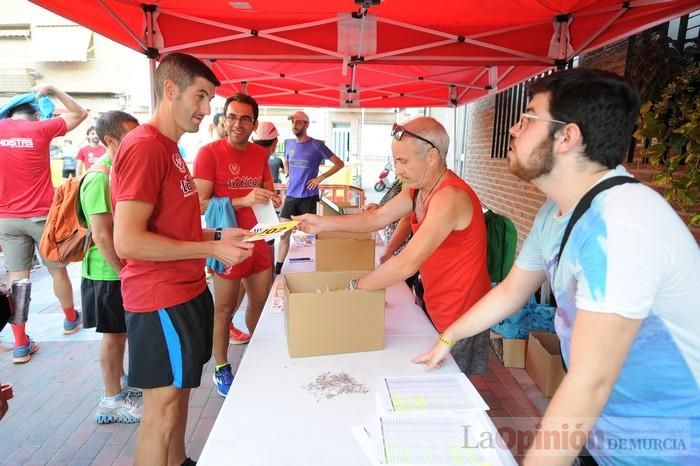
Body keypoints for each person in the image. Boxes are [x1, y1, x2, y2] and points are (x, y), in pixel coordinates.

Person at [414, 69, 700, 465]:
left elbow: (590, 380)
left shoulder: (621, 226)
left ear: (567, 136)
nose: (514, 128)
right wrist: (449, 337)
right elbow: (512, 291)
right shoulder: (558, 212)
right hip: (603, 435)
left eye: (529, 117)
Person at [111, 53, 253, 466]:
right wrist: (211, 248)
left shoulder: (170, 148)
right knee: (162, 409)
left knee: (182, 392)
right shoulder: (143, 147)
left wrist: (220, 234)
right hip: (160, 299)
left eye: (210, 98)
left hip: (186, 292)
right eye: (201, 96)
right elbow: (128, 241)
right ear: (170, 89)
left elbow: (173, 229)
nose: (209, 109)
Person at [295, 117, 492, 375]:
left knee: (452, 388)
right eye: (395, 161)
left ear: (432, 157)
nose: (397, 170)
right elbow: (377, 217)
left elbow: (407, 264)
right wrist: (323, 224)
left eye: (403, 161)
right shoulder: (419, 189)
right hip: (436, 302)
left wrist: (356, 286)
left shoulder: (449, 198)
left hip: (463, 314)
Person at [194, 94, 281, 397]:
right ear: (224, 119)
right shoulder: (209, 153)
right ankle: (221, 366)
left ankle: (258, 358)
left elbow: (267, 187)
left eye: (245, 119)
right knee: (224, 309)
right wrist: (242, 199)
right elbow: (200, 204)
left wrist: (272, 196)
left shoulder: (259, 155)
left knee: (259, 304)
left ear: (254, 124)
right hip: (226, 242)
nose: (238, 124)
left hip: (258, 240)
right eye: (232, 116)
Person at [0, 84, 87, 363]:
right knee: (57, 271)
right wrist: (54, 90)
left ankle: (20, 343)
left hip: (6, 219)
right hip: (41, 216)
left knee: (18, 280)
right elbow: (80, 113)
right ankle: (70, 319)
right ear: (36, 115)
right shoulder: (40, 129)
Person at [80, 110, 142, 424]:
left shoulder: (118, 170)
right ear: (110, 140)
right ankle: (110, 399)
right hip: (106, 274)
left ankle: (121, 388)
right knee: (113, 336)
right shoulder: (99, 177)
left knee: (121, 334)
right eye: (131, 138)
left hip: (119, 270)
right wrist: (124, 272)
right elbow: (103, 235)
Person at [275, 110, 344, 274]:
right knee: (284, 234)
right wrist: (288, 174)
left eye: (298, 122)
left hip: (308, 197)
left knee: (310, 237)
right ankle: (277, 271)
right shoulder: (288, 143)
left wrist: (320, 178)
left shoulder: (317, 144)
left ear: (306, 124)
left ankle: (313, 272)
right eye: (292, 122)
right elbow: (286, 160)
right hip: (291, 197)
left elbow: (339, 163)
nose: (294, 125)